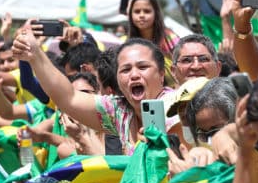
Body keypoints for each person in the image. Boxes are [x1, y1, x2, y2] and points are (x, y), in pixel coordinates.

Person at [13, 23, 181, 156]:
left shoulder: (179, 107)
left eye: (143, 67)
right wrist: (34, 54)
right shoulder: (119, 110)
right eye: (125, 70)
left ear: (160, 73)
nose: (134, 75)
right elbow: (68, 98)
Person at [128, 0, 179, 87]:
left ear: (156, 13)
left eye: (147, 11)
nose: (141, 15)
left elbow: (181, 68)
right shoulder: (128, 45)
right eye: (137, 11)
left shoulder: (170, 39)